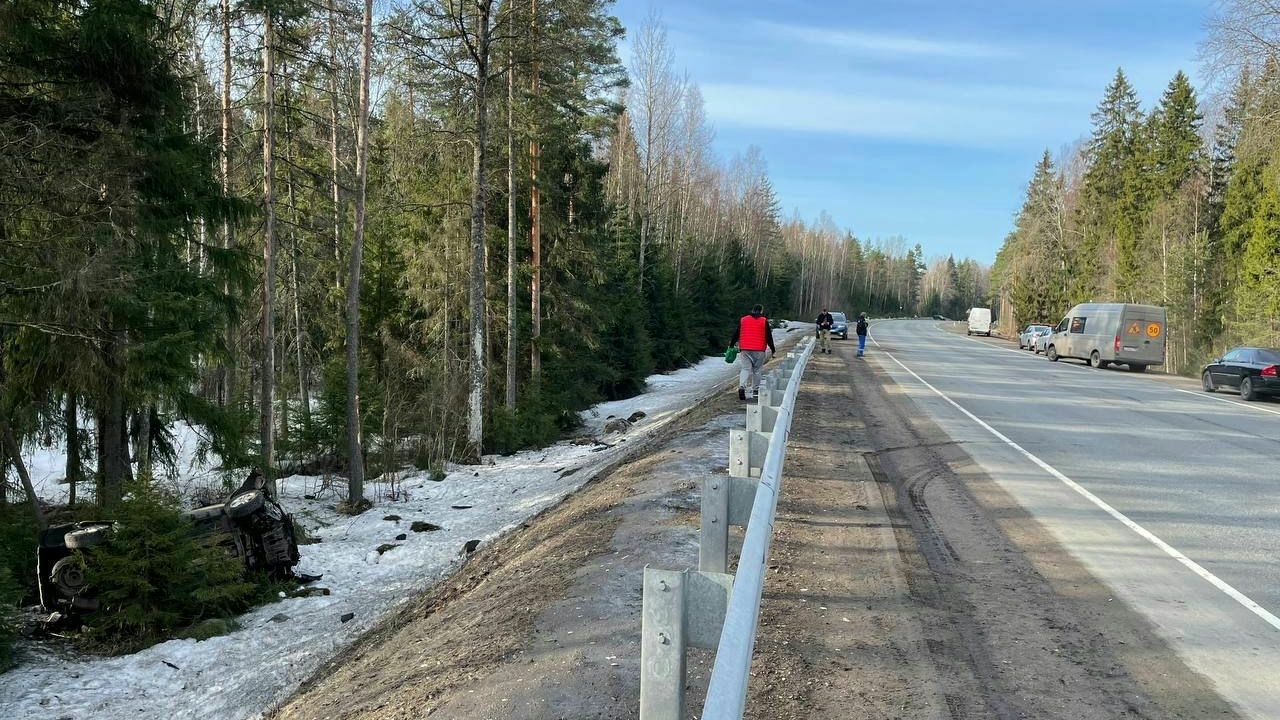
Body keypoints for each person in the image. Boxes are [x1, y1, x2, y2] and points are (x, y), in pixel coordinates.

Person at [730, 304, 777, 400]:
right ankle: (755, 390)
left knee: (745, 369)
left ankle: (742, 387)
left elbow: (736, 333)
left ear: (752, 310)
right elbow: (769, 337)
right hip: (759, 349)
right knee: (757, 370)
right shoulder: (764, 321)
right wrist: (773, 350)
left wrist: (731, 345)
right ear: (761, 311)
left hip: (745, 349)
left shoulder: (743, 320)